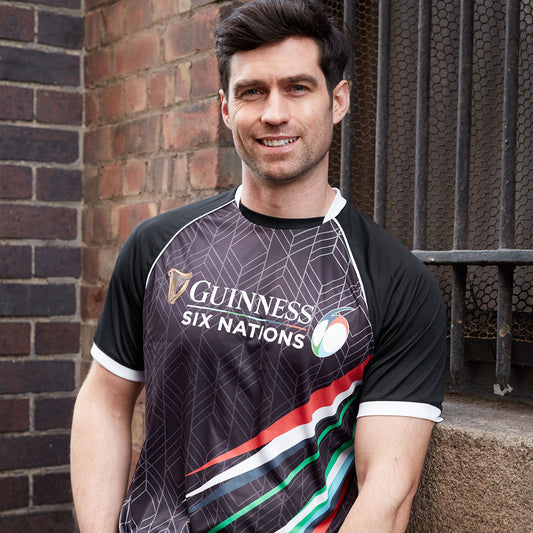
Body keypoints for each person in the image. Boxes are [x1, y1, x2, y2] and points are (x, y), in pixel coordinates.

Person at [70, 0, 447, 531]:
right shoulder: (159, 246)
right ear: (225, 108)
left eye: (297, 88)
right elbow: (105, 402)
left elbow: (388, 490)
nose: (274, 113)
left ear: (337, 101)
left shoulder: (395, 283)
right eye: (252, 91)